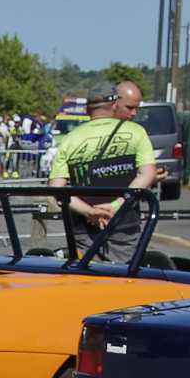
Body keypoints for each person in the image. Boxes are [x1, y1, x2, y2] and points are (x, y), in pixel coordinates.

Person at [49, 80, 158, 262]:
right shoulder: (136, 132)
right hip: (124, 225)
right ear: (115, 105)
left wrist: (89, 212)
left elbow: (57, 190)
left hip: (83, 228)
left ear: (87, 110)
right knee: (122, 278)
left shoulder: (69, 139)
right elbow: (147, 174)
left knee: (86, 279)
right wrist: (116, 205)